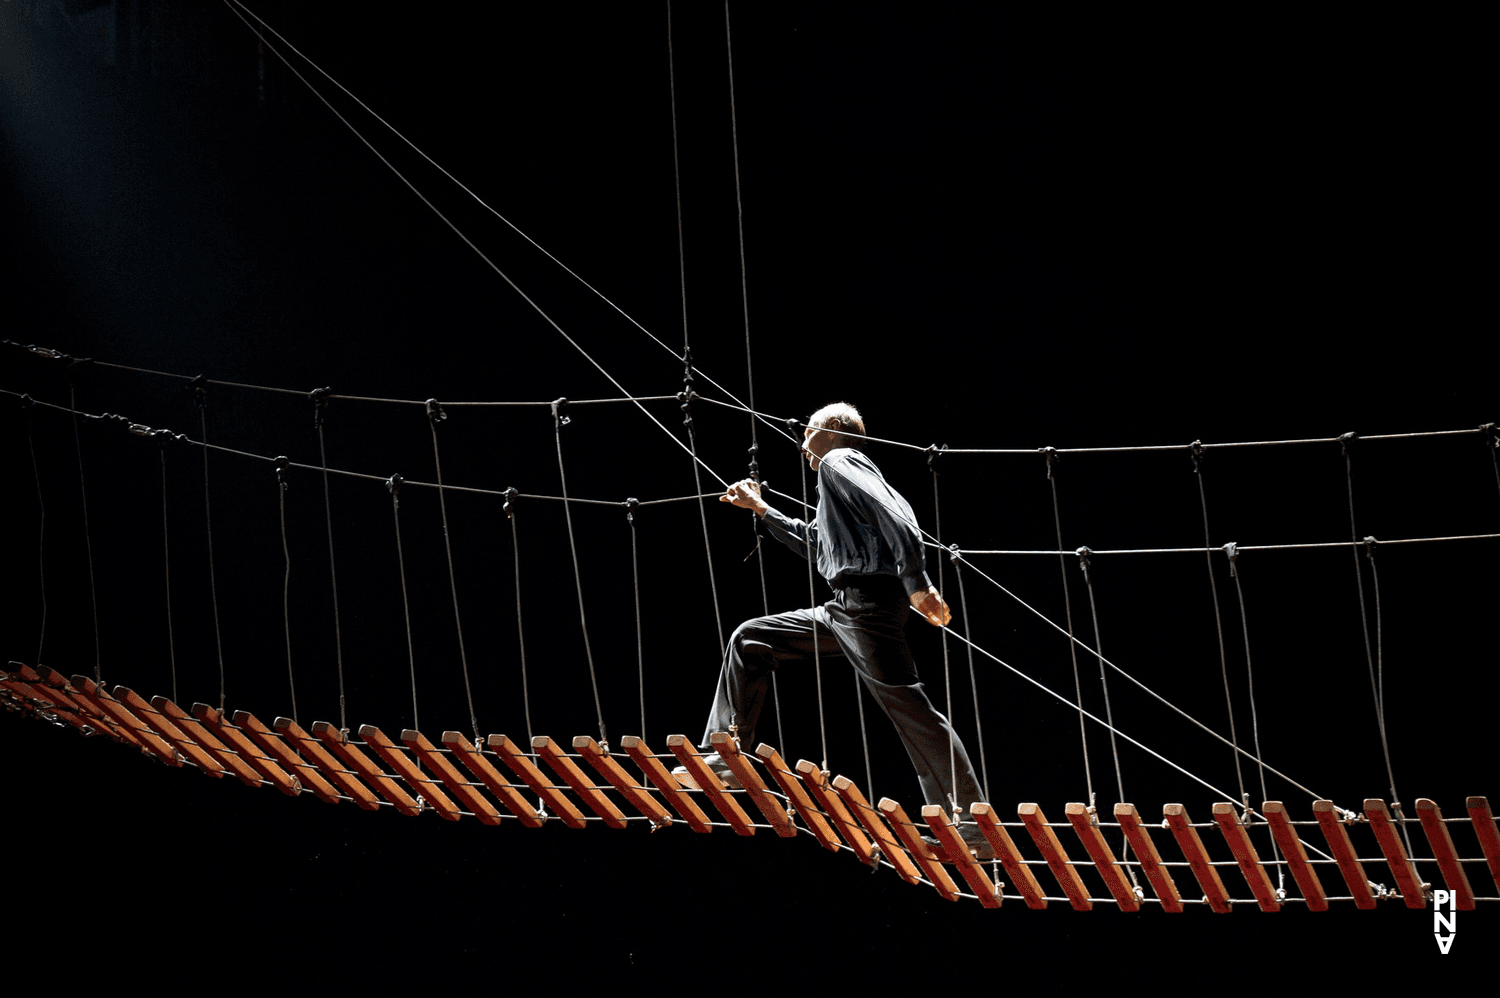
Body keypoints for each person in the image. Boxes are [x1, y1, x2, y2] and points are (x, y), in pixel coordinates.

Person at [674, 402, 990, 858]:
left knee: (914, 714)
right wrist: (762, 509)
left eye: (807, 433)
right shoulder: (836, 492)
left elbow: (898, 515)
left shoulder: (840, 461)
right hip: (845, 610)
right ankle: (725, 757)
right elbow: (818, 545)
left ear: (832, 430)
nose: (802, 445)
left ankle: (970, 827)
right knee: (751, 639)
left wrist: (918, 584)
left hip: (868, 607)